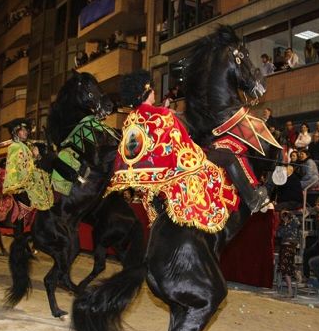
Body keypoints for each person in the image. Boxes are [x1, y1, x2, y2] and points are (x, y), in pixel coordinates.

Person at [107, 70, 271, 220]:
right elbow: (185, 138)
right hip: (177, 166)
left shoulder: (131, 119)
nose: (155, 92)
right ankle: (253, 199)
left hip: (149, 175)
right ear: (147, 91)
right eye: (152, 90)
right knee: (227, 155)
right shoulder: (161, 113)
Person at [2, 118, 54, 237]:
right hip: (20, 184)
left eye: (27, 130)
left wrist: (37, 156)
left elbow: (32, 163)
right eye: (22, 130)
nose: (26, 132)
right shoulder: (15, 146)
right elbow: (22, 167)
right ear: (15, 132)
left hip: (28, 183)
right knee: (25, 210)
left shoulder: (26, 146)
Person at [276, 210, 301, 297]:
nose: (285, 216)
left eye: (286, 215)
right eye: (283, 215)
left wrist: (291, 214)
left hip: (290, 247)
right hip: (283, 247)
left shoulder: (293, 223)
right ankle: (295, 272)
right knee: (285, 269)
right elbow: (278, 234)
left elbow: (298, 223)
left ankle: (290, 290)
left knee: (286, 268)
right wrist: (284, 223)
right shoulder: (282, 225)